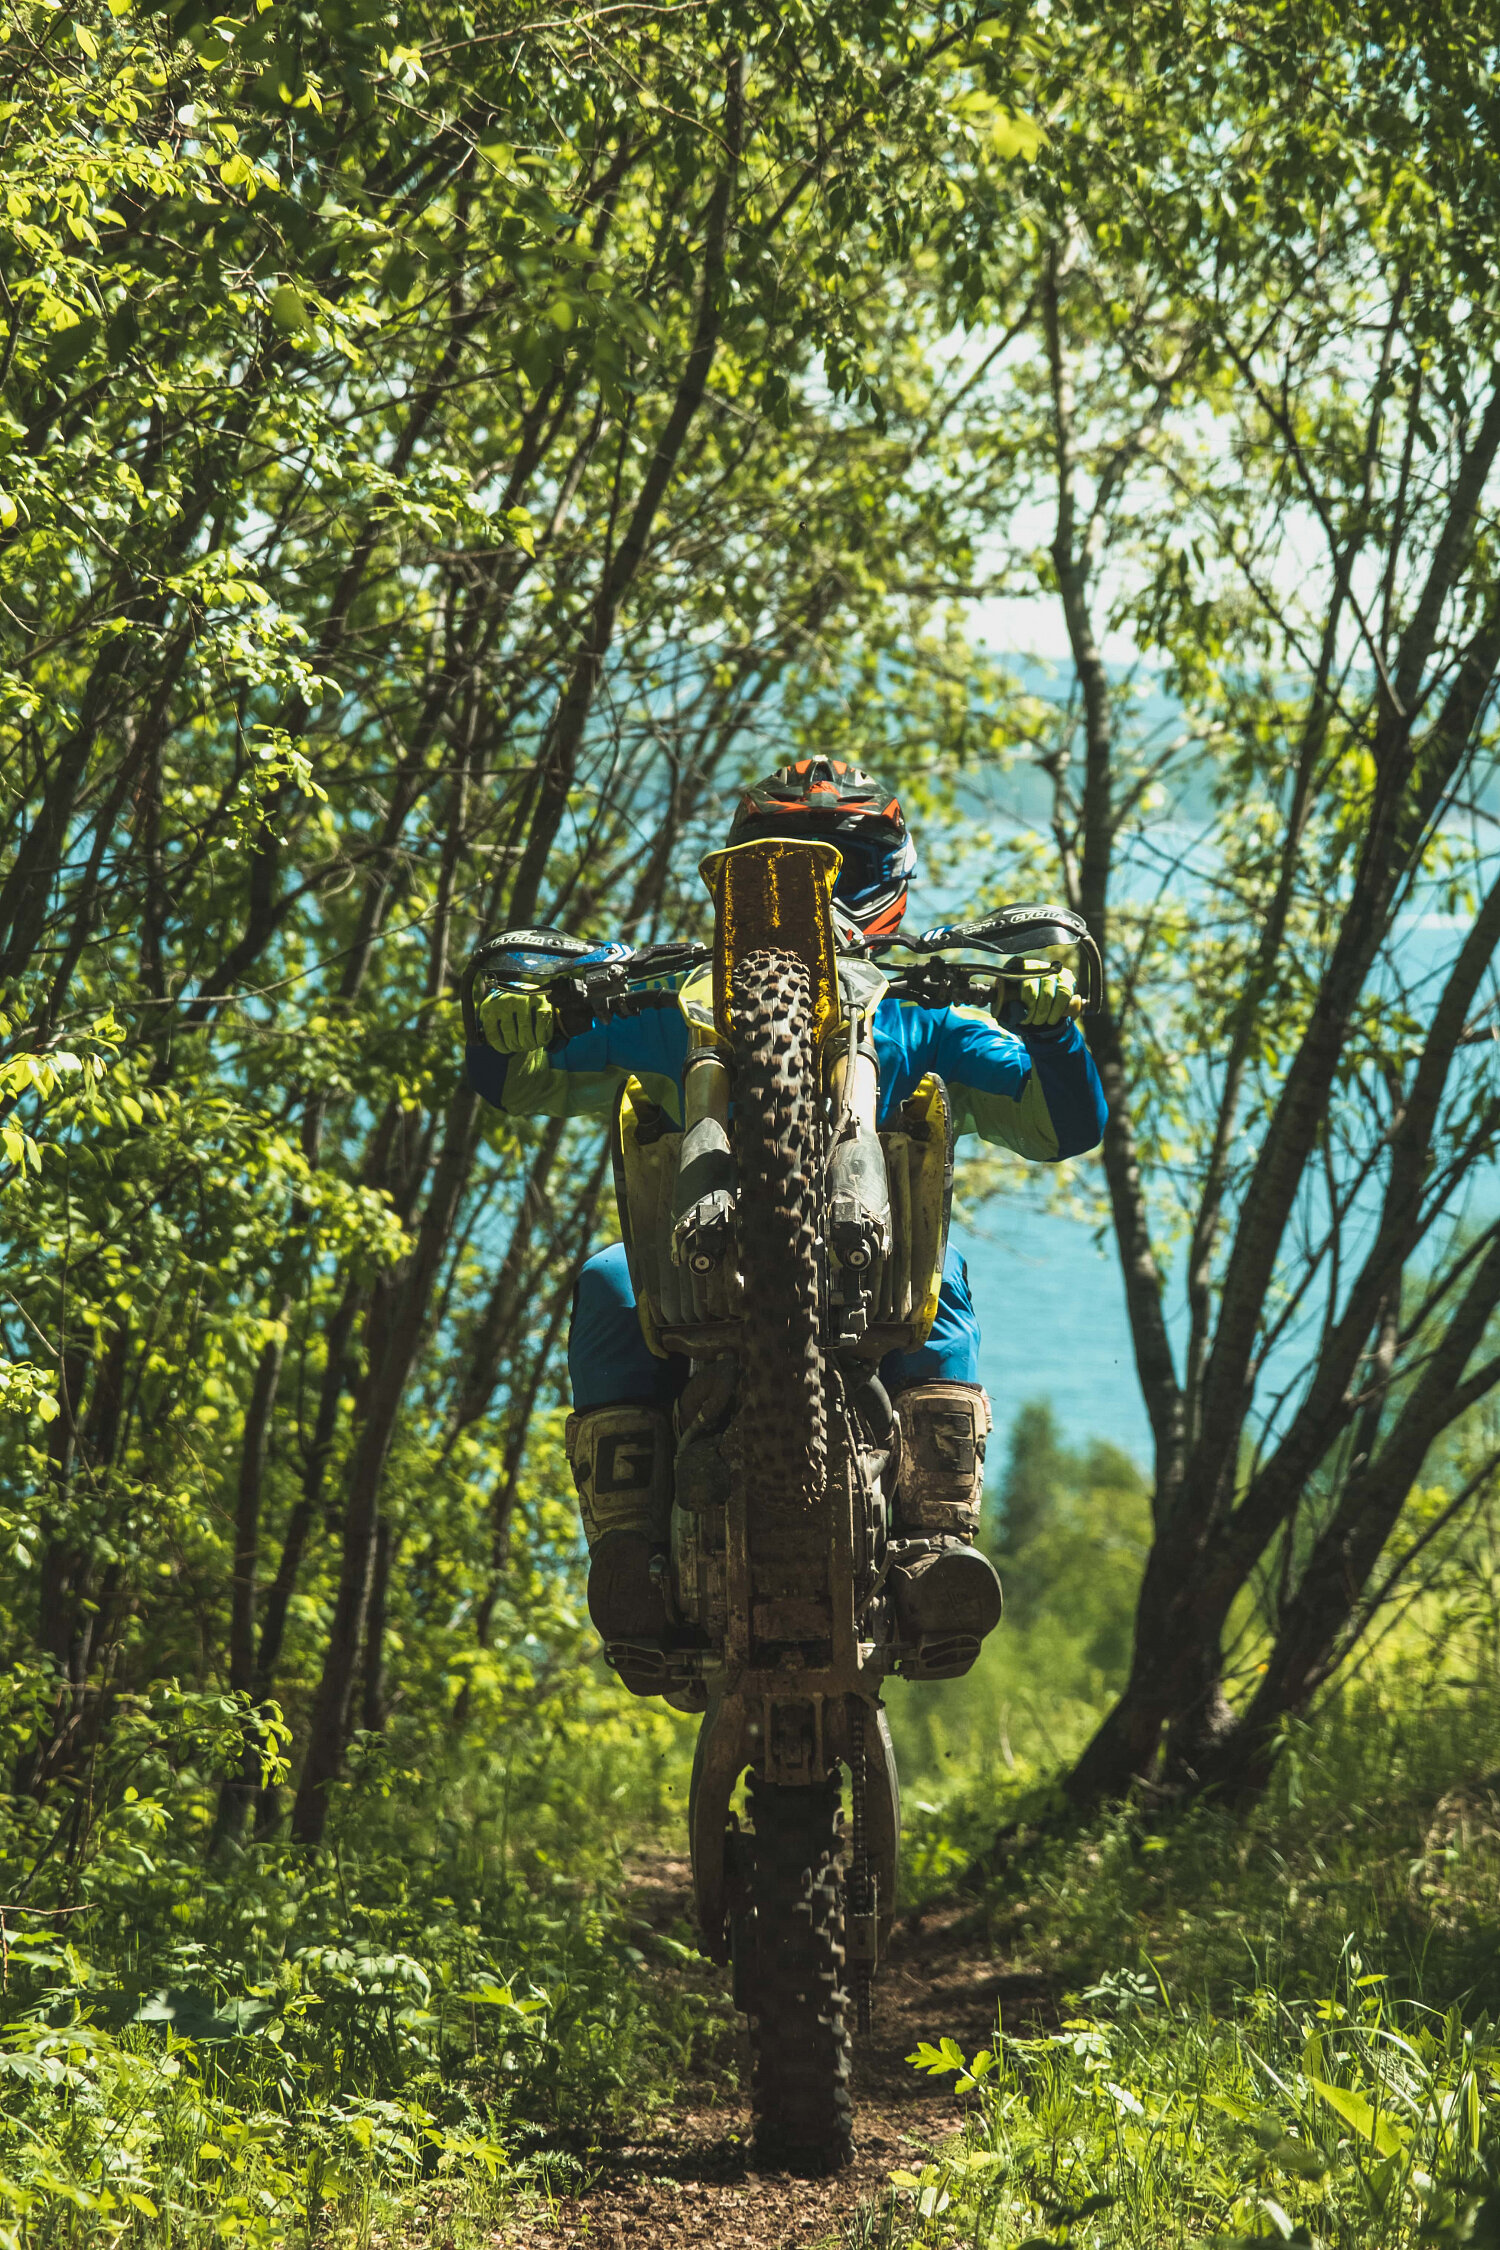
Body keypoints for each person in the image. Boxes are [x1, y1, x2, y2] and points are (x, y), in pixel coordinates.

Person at [466, 757, 1107, 1683]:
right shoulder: (676, 1005)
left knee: (951, 1282)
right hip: (694, 1279)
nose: (826, 886)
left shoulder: (924, 1017)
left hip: (883, 1282)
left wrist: (1052, 1028)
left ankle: (936, 1540)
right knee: (608, 1281)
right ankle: (626, 1554)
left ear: (886, 873)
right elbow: (519, 1084)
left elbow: (1064, 1126)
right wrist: (508, 1027)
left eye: (845, 862)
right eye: (800, 861)